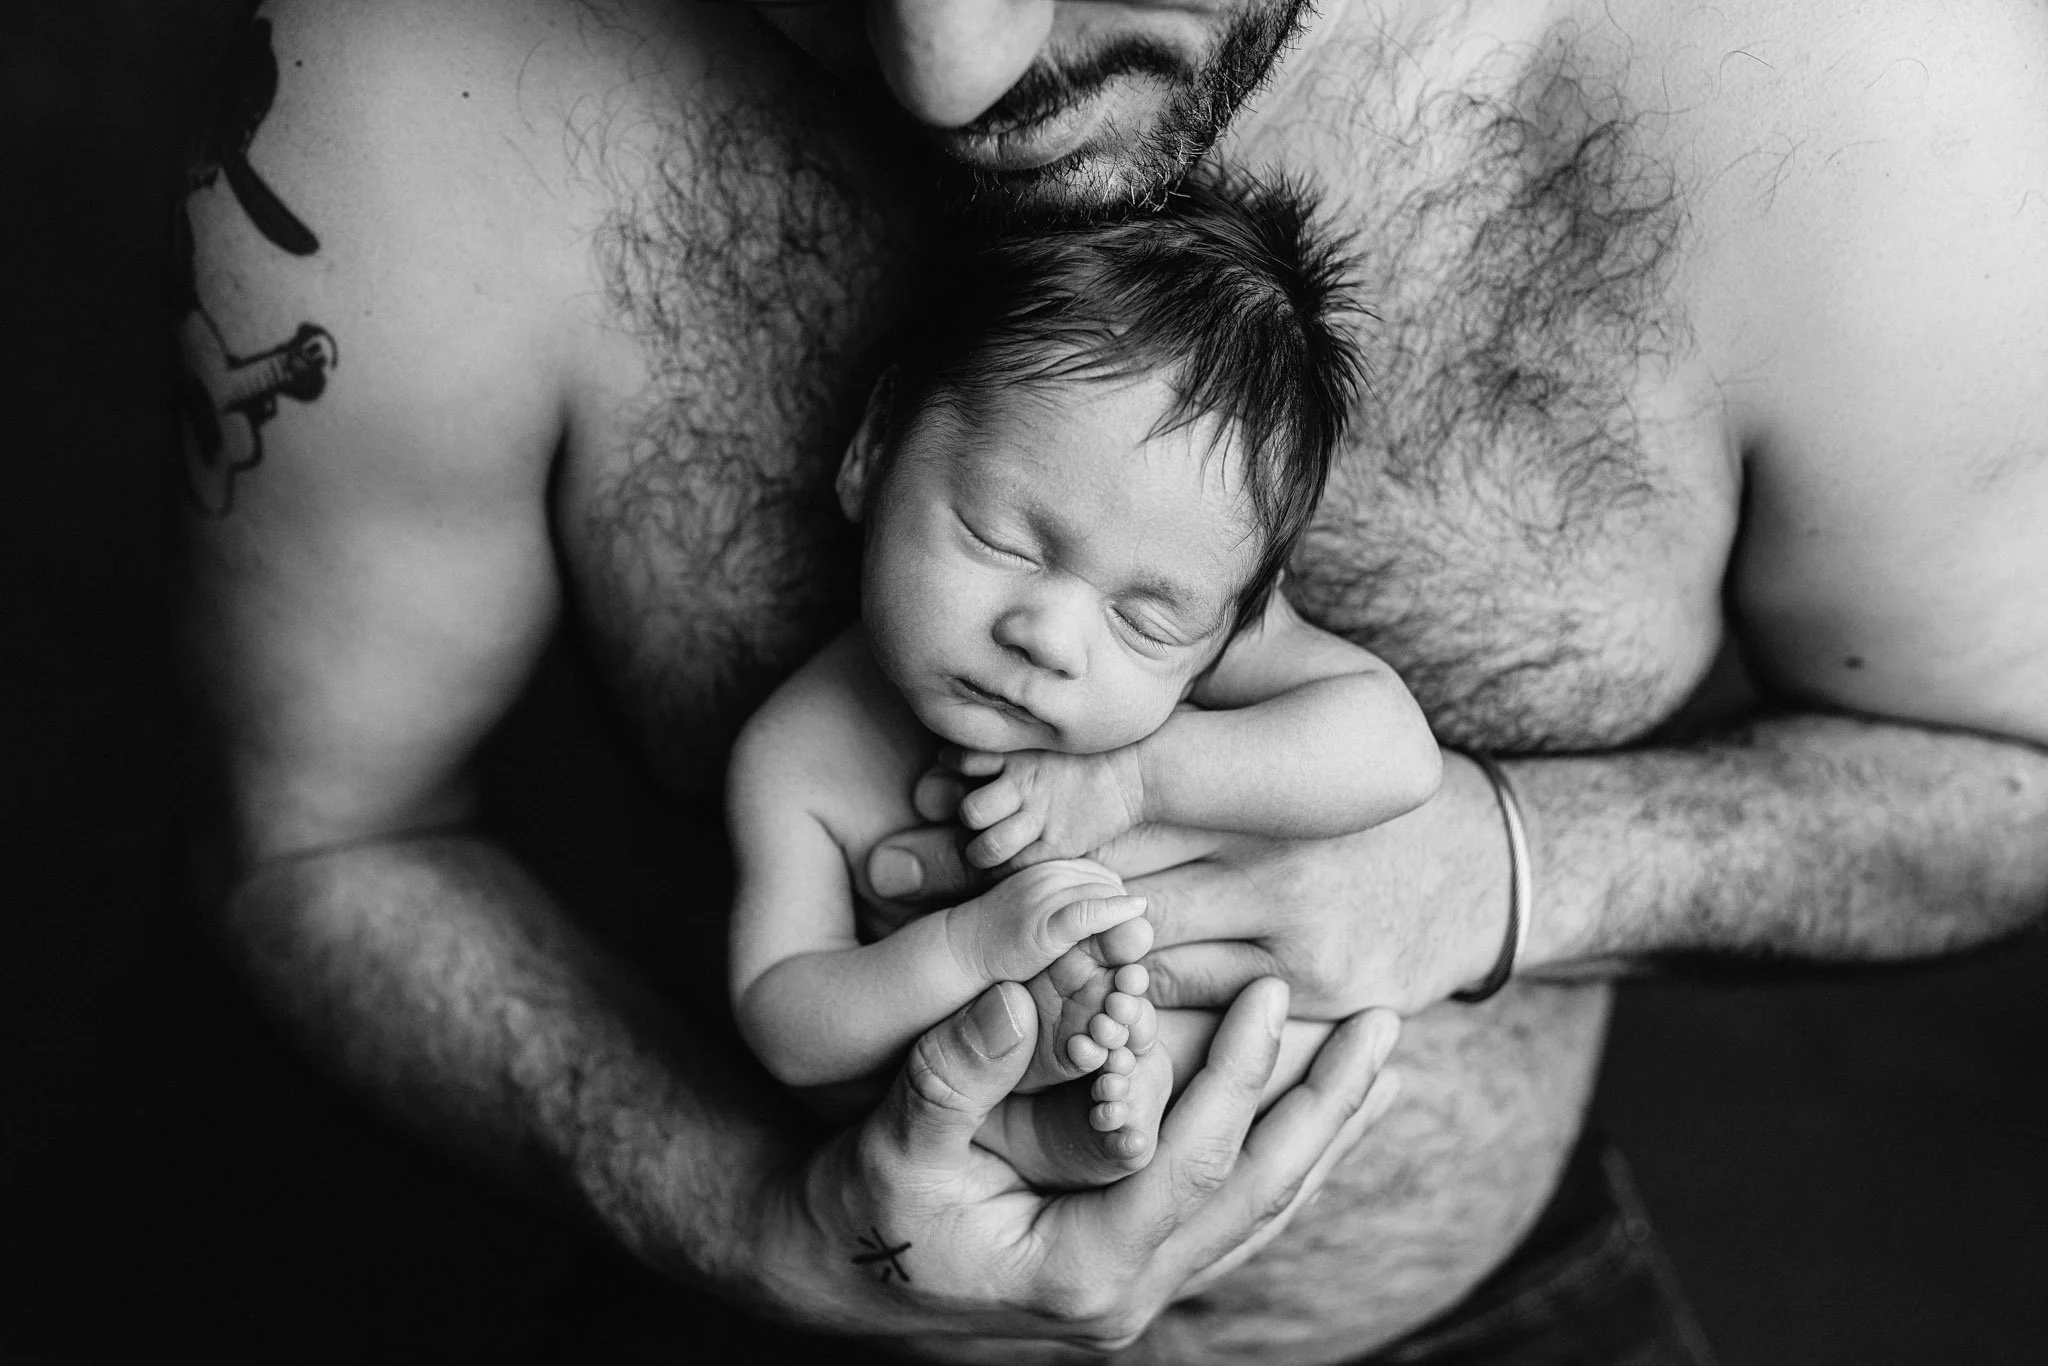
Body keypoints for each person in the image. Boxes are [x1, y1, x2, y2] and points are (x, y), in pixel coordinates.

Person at [177, 0, 2048, 1361]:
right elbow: (315, 844)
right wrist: (732, 1212)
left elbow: (2007, 777)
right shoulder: (410, 93)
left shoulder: (1858, 99)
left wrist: (1495, 873)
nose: (948, 69)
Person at [728, 176, 1439, 1189]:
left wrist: (1136, 780)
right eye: (998, 539)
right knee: (885, 1103)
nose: (1051, 636)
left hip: (1183, 1046)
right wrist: (968, 950)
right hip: (927, 1114)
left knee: (1245, 1022)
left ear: (1230, 618)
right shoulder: (800, 751)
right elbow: (785, 1020)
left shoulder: (1208, 633)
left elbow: (1393, 752)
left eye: (1143, 621)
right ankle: (1029, 1135)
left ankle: (1121, 1094)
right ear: (875, 450)